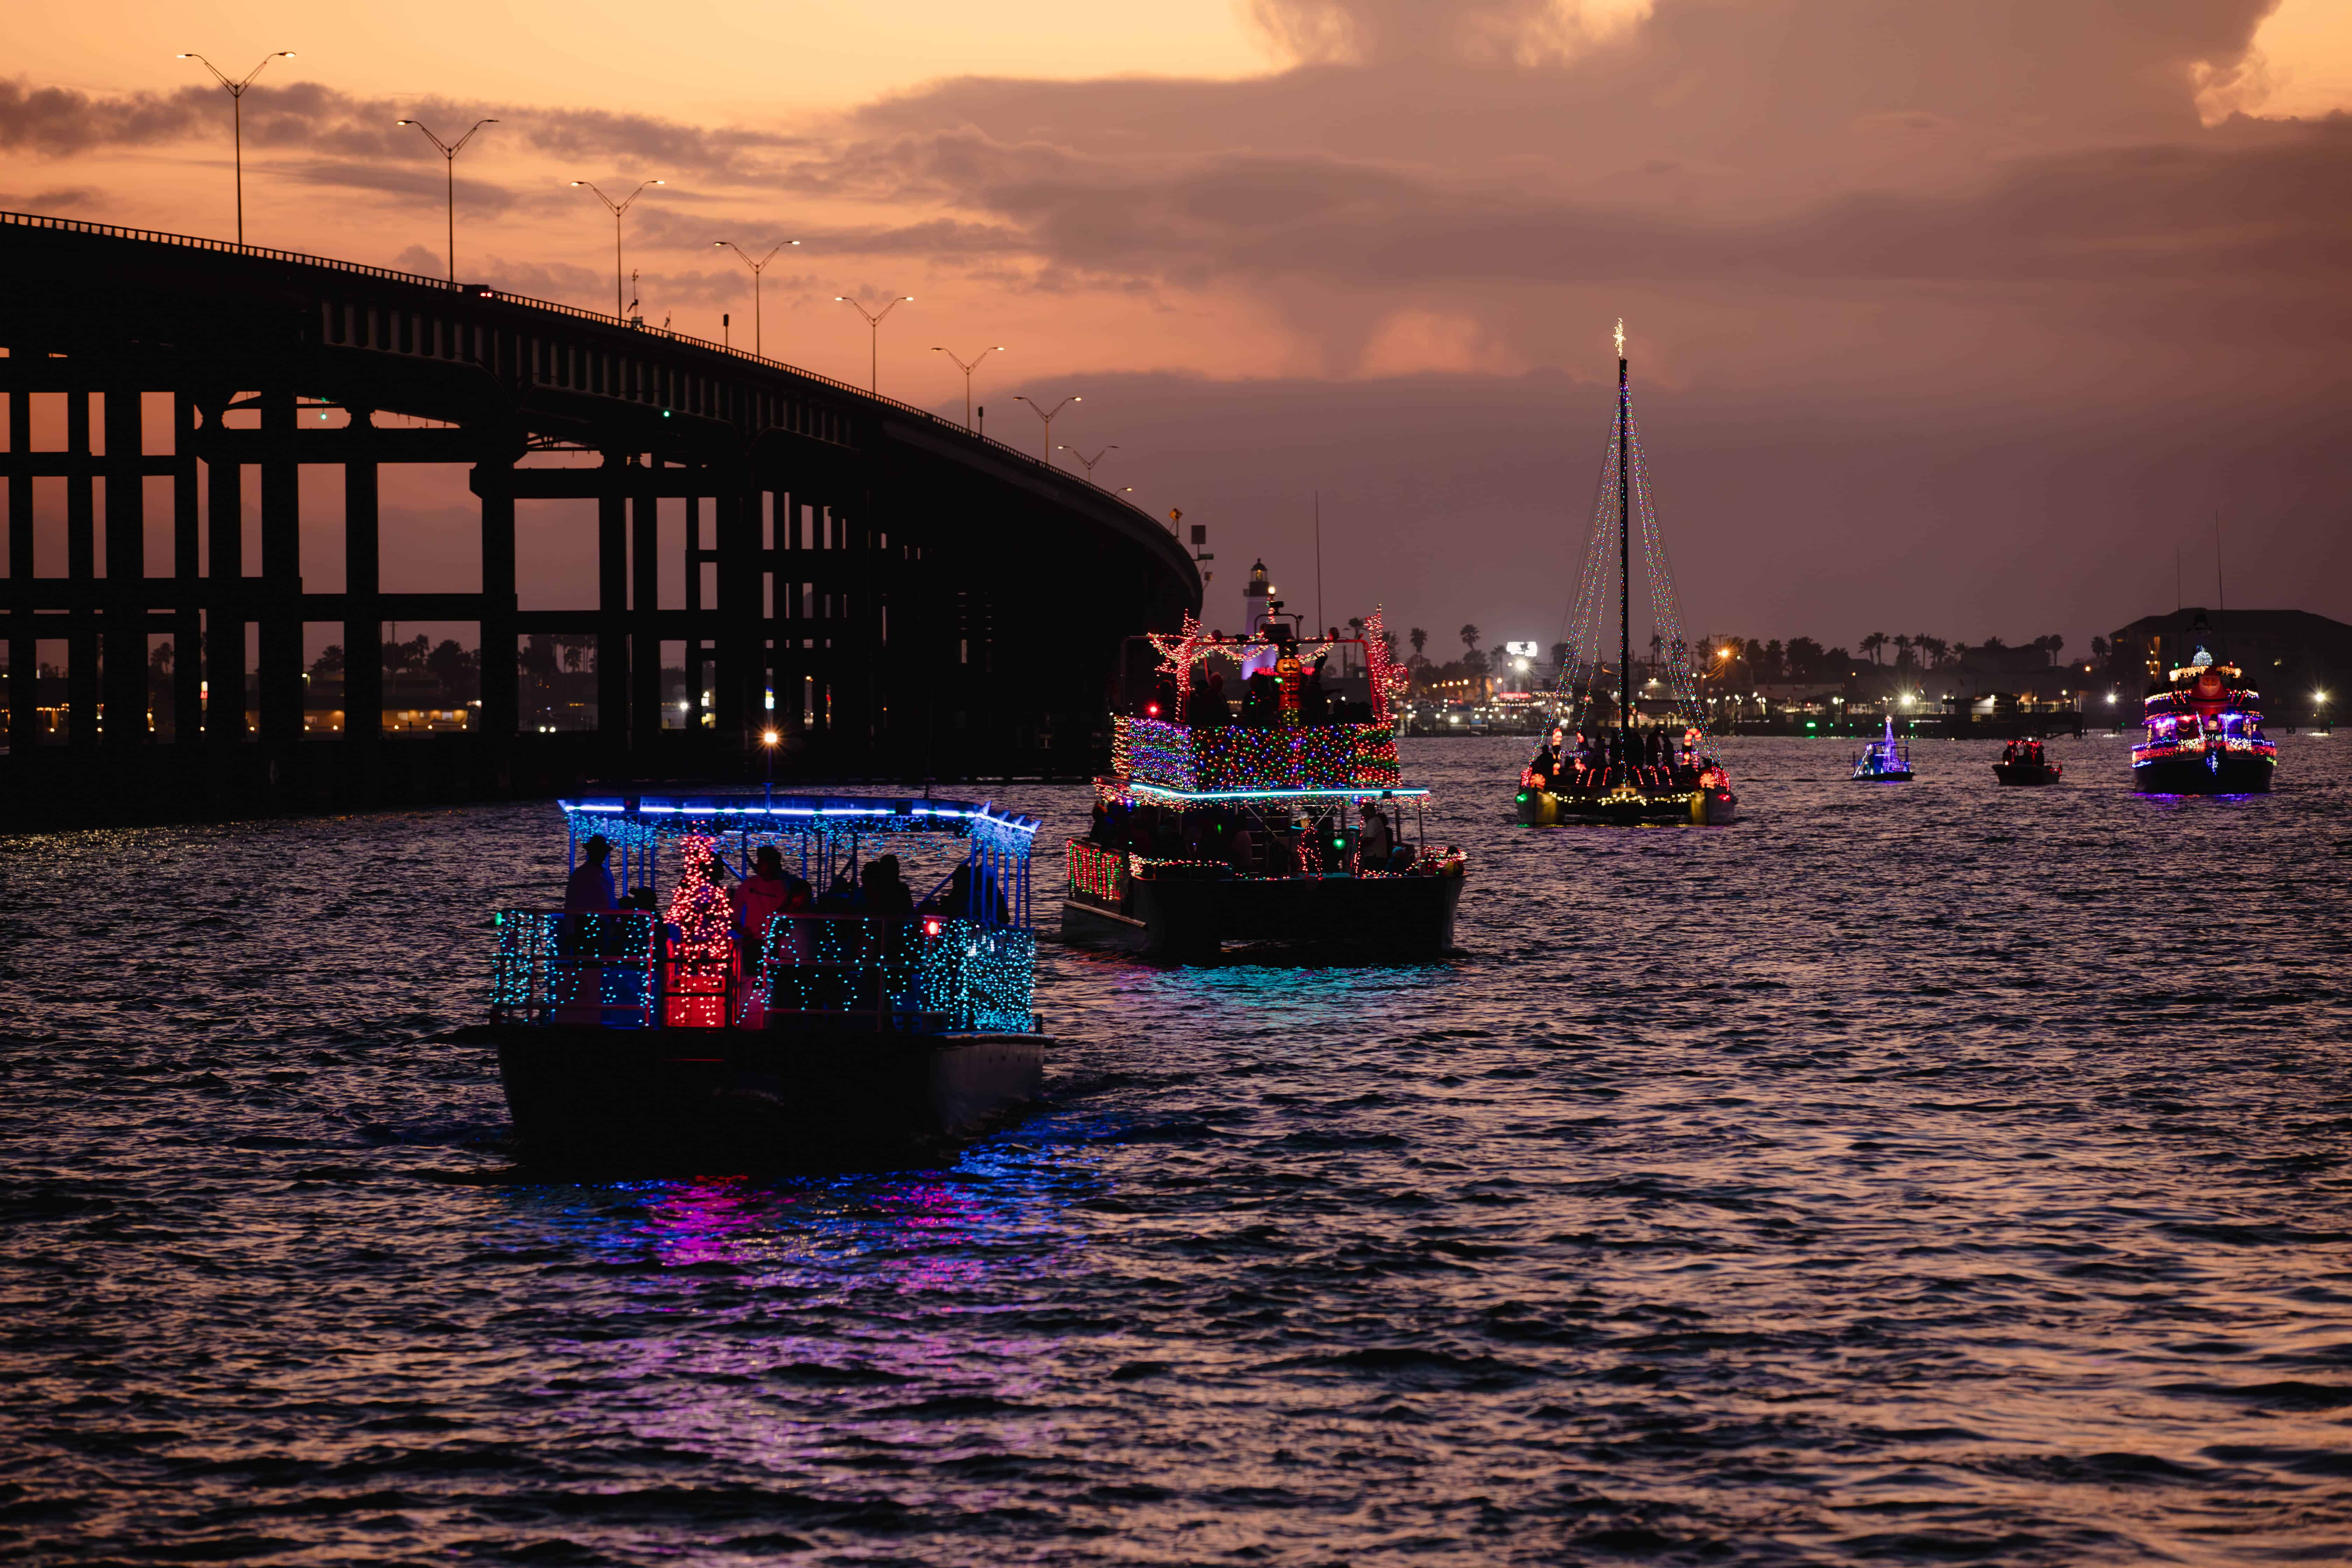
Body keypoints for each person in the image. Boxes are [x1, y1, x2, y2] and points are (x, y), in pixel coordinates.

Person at [565, 834, 617, 912]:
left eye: (602, 852)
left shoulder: (606, 873)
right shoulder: (581, 875)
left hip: (604, 918)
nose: (602, 855)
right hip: (587, 919)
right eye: (598, 852)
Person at [1356, 801, 1394, 874]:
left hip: (1375, 857)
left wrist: (1359, 846)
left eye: (1364, 812)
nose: (1363, 815)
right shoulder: (1374, 821)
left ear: (1369, 812)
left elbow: (1370, 839)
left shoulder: (1373, 821)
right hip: (1376, 856)